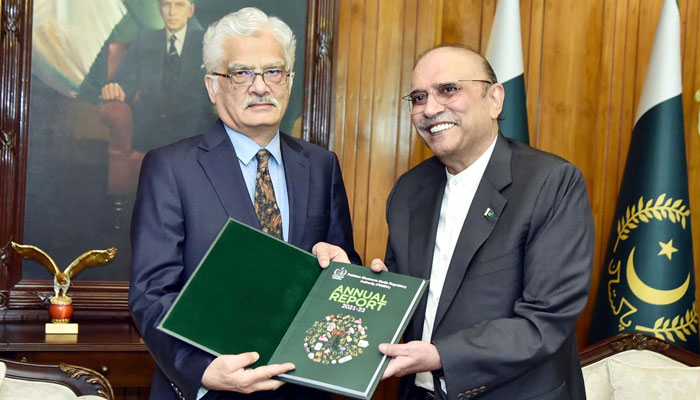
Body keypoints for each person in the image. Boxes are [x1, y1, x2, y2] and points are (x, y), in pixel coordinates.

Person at [314, 45, 594, 400]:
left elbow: (546, 321)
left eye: (448, 90)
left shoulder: (551, 182)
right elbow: (405, 302)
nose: (430, 109)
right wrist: (354, 282)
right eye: (418, 97)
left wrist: (440, 355)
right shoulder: (409, 191)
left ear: (494, 100)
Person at [129, 7, 361, 400]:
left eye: (274, 72)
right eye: (241, 73)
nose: (260, 86)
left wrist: (345, 271)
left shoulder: (321, 165)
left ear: (288, 81)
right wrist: (202, 370)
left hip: (303, 389)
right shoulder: (169, 167)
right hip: (211, 388)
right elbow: (151, 294)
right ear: (212, 86)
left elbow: (343, 267)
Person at [101, 0, 214, 152]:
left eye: (179, 5)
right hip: (151, 131)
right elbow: (124, 82)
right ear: (160, 9)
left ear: (190, 11)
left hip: (192, 130)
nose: (172, 12)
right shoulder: (144, 40)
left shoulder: (207, 43)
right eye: (167, 5)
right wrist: (116, 89)